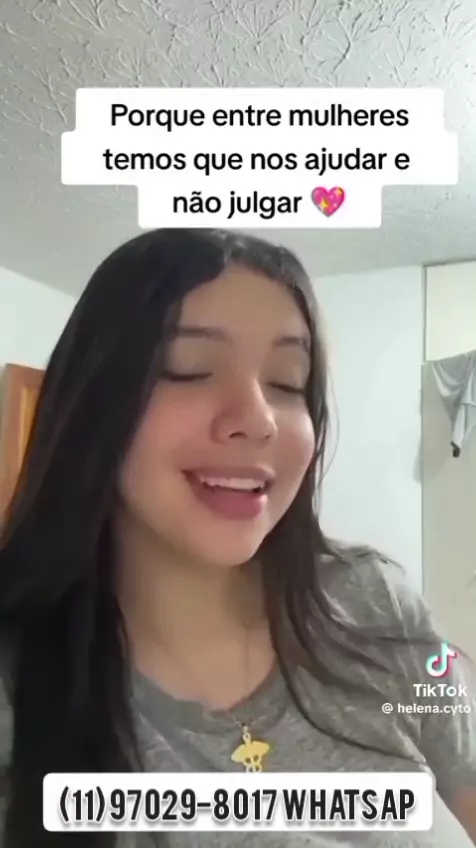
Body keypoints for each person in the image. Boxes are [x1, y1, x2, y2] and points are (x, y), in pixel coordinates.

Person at [0, 228, 474, 848]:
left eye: (287, 382)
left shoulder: (375, 600)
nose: (257, 419)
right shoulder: (17, 686)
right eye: (189, 369)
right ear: (93, 401)